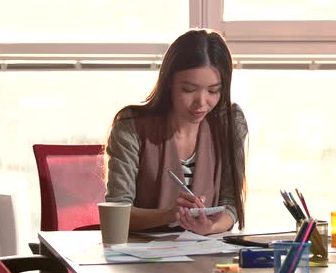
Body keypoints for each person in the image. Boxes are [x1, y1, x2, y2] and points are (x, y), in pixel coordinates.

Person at [105, 29, 247, 235]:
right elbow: (116, 212)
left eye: (214, 91)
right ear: (169, 82)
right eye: (189, 90)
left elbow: (231, 203)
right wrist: (170, 214)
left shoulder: (230, 122)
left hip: (207, 254)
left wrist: (211, 227)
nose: (202, 102)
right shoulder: (131, 125)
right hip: (143, 259)